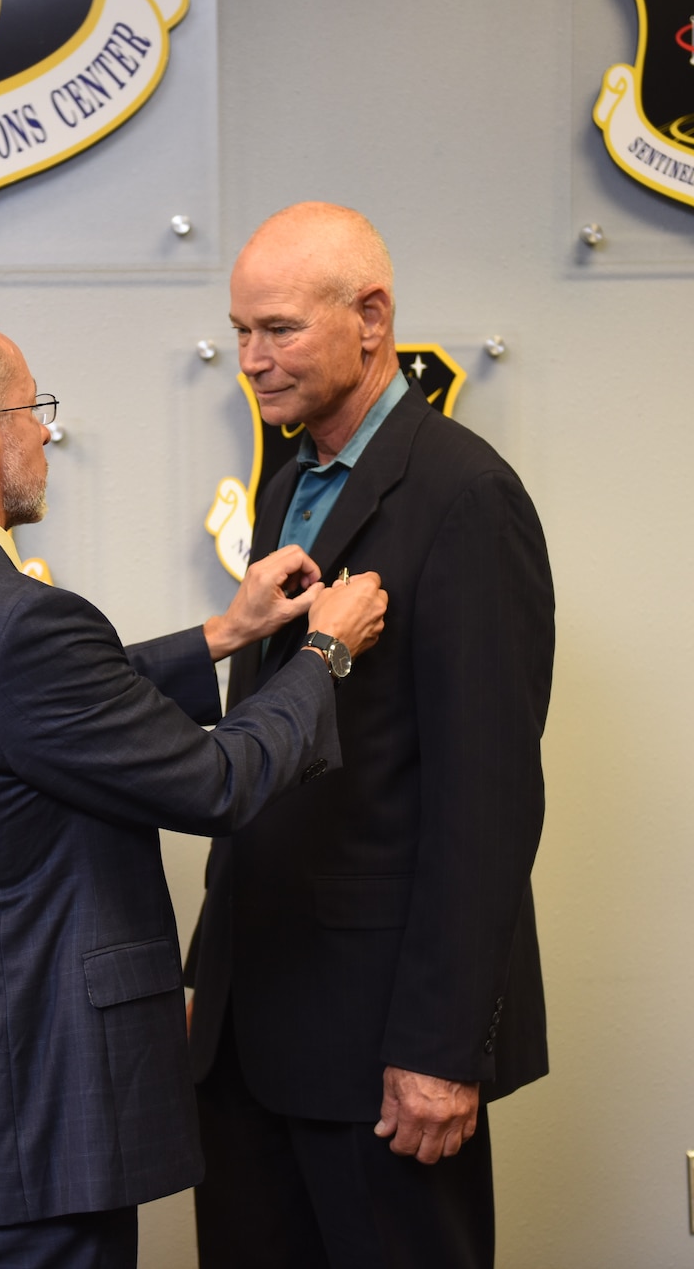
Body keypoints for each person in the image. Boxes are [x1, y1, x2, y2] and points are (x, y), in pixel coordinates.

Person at [0, 300, 389, 1269]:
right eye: (35, 411)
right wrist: (321, 655)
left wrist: (219, 637)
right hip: (30, 1103)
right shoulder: (19, 623)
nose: (46, 434)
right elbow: (215, 783)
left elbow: (19, 715)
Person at [185, 205, 556, 1269]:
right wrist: (211, 980)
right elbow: (266, 751)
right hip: (250, 1038)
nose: (250, 361)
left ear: (371, 320)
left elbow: (485, 804)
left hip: (381, 1053)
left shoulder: (465, 495)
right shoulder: (284, 482)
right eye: (238, 332)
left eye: (277, 331)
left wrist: (442, 1050)